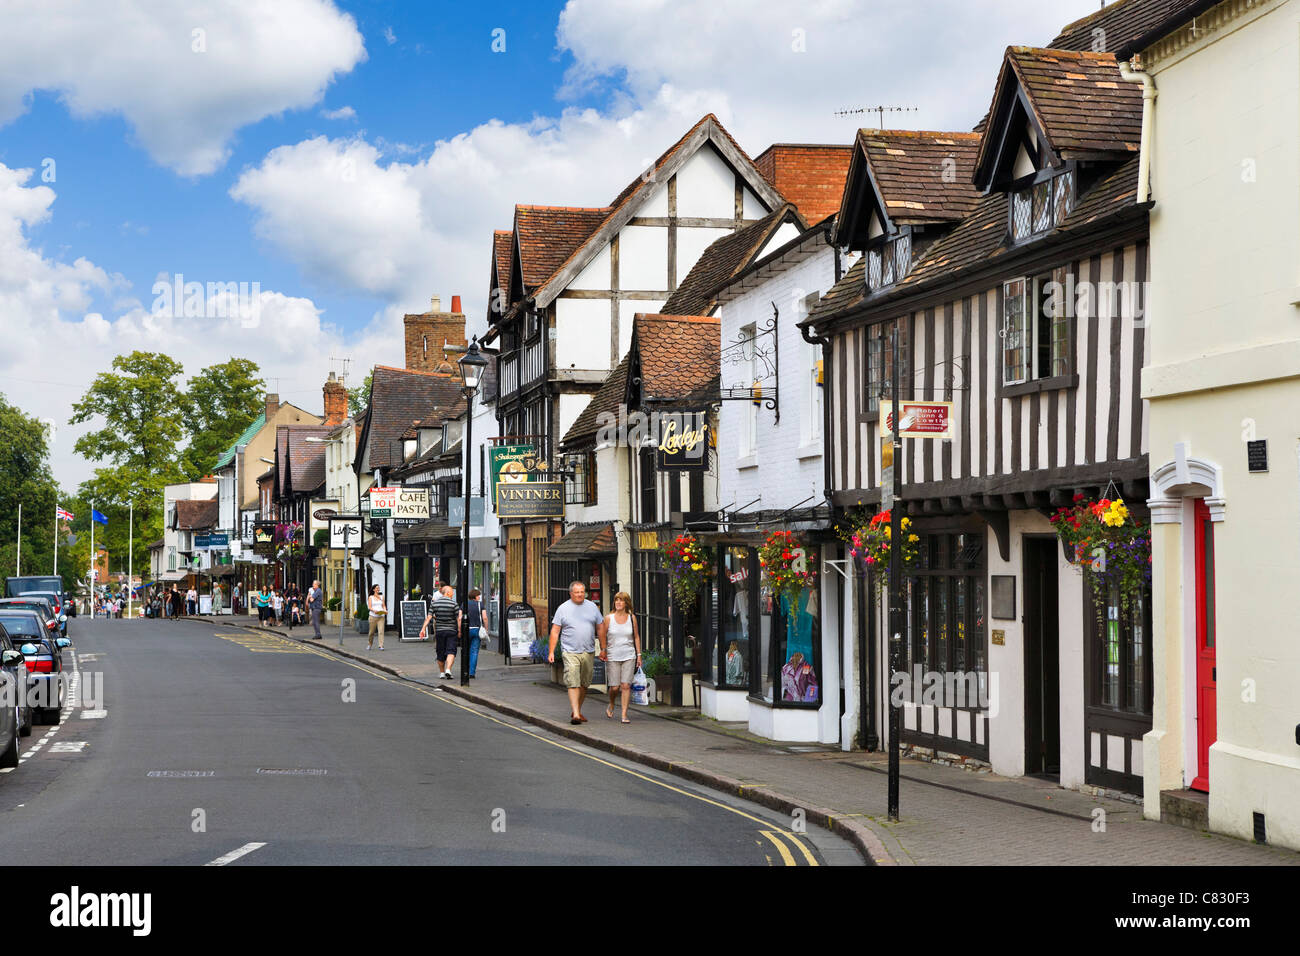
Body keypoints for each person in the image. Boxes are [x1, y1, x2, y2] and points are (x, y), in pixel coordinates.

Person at [548, 580, 604, 724]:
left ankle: (576, 709)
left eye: (582, 592)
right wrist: (551, 652)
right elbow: (555, 631)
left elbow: (600, 628)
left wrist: (603, 648)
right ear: (571, 593)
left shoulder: (592, 607)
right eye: (577, 592)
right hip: (570, 651)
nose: (580, 595)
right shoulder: (563, 608)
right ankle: (577, 715)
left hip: (589, 651)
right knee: (573, 681)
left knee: (584, 683)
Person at [598, 591, 642, 724]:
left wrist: (639, 655)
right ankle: (611, 703)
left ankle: (624, 714)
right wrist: (603, 650)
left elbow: (636, 637)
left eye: (621, 600)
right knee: (615, 687)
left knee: (625, 686)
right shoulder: (608, 618)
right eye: (616, 600)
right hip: (612, 655)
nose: (618, 603)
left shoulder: (631, 618)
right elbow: (603, 636)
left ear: (626, 603)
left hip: (629, 655)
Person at [421, 585, 459, 676]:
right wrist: (460, 630)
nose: (453, 594)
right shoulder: (454, 604)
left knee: (440, 651)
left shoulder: (435, 604)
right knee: (451, 651)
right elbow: (458, 619)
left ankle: (442, 672)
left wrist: (423, 629)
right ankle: (448, 669)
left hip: (439, 631)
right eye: (452, 592)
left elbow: (428, 617)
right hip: (452, 631)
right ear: (448, 593)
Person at [465, 588, 488, 679]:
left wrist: (459, 630)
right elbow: (485, 618)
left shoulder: (464, 604)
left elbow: (459, 618)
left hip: (466, 629)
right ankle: (471, 673)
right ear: (474, 596)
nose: (479, 597)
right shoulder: (480, 604)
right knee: (474, 652)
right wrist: (486, 629)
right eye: (478, 595)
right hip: (477, 630)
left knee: (466, 651)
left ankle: (465, 671)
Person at [366, 585, 387, 651]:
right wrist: (374, 610)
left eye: (379, 588)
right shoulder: (371, 597)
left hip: (381, 617)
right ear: (373, 589)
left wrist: (385, 610)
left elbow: (383, 605)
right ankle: (370, 644)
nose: (378, 589)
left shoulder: (381, 597)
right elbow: (369, 607)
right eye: (377, 588)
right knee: (371, 632)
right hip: (373, 617)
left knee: (381, 631)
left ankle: (381, 646)